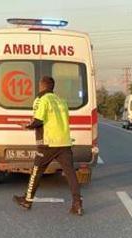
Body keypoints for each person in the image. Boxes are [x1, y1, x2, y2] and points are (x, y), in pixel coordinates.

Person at [14, 76, 83, 216]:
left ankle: (27, 200)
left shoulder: (42, 99)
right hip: (64, 142)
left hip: (48, 143)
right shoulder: (61, 101)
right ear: (53, 87)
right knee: (70, 175)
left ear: (42, 86)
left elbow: (38, 120)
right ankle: (77, 204)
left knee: (36, 171)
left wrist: (27, 125)